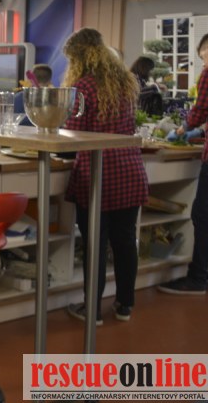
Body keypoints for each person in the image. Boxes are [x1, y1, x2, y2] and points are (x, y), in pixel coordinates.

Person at [61, 28, 148, 324]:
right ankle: (125, 305)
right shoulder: (125, 82)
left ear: (78, 58)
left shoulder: (83, 86)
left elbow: (73, 133)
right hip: (130, 170)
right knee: (125, 242)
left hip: (98, 175)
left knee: (95, 246)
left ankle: (93, 310)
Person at [158, 32, 208, 294]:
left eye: (202, 57)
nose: (203, 63)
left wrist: (184, 129)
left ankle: (197, 279)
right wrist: (202, 130)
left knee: (203, 215)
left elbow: (201, 109)